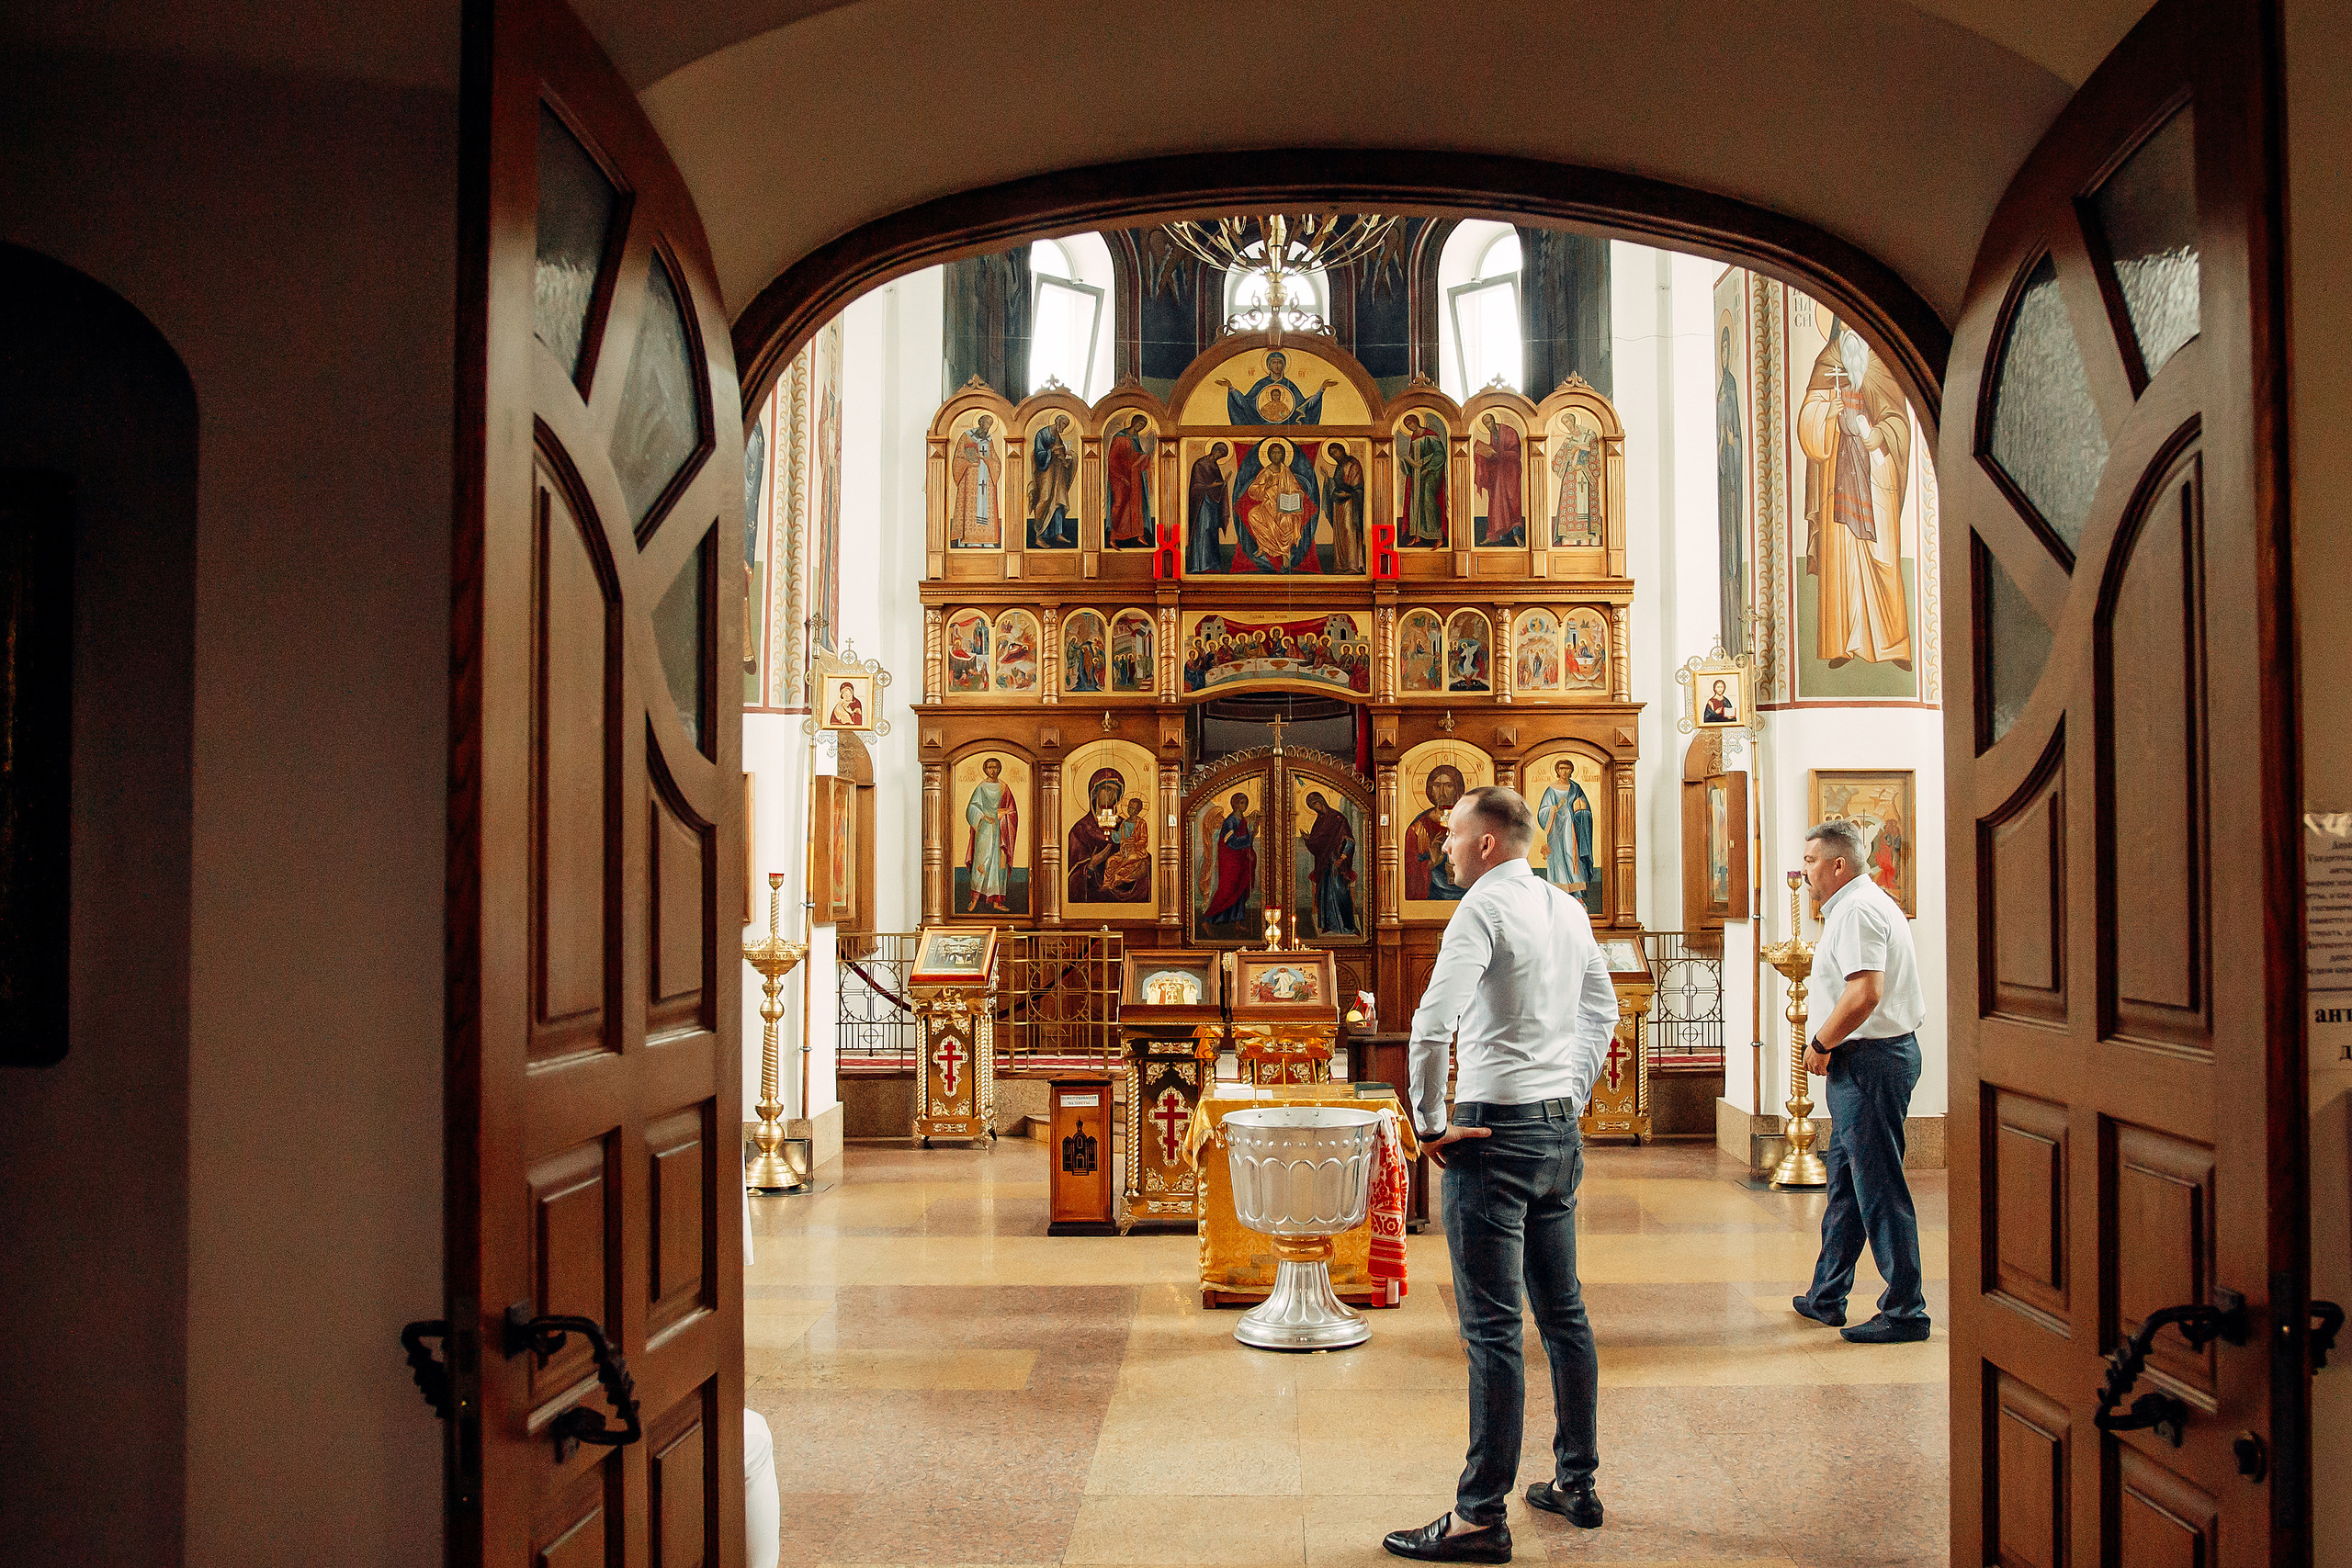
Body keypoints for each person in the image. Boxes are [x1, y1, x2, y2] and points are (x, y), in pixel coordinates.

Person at [1385, 785, 1619, 1563]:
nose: (1443, 847)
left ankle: (1478, 1516)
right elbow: (1603, 1013)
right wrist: (1573, 1091)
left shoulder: (1480, 909)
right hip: (1557, 1130)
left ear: (1487, 841)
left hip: (1492, 1131)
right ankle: (1576, 1481)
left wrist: (1426, 1121)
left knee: (1491, 1329)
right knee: (1564, 1314)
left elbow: (1430, 1021)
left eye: (1451, 834)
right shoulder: (1568, 908)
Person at [1790, 818, 1930, 1344]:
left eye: (1810, 862)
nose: (1805, 873)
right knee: (1847, 1184)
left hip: (1871, 1061)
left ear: (1838, 864)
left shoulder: (1857, 910)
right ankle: (1827, 1294)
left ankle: (1906, 1310)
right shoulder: (1854, 906)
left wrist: (1821, 1042)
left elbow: (1865, 993)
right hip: (1867, 1061)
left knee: (1879, 1187)